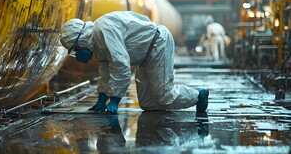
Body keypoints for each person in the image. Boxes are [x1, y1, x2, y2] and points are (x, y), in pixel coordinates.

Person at [59, 11, 209, 113]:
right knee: (148, 104)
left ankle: (198, 95)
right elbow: (106, 71)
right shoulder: (97, 43)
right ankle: (157, 132)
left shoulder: (103, 30)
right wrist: (102, 98)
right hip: (144, 57)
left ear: (80, 39)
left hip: (158, 44)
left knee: (164, 95)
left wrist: (115, 99)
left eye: (76, 49)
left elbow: (121, 65)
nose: (78, 53)